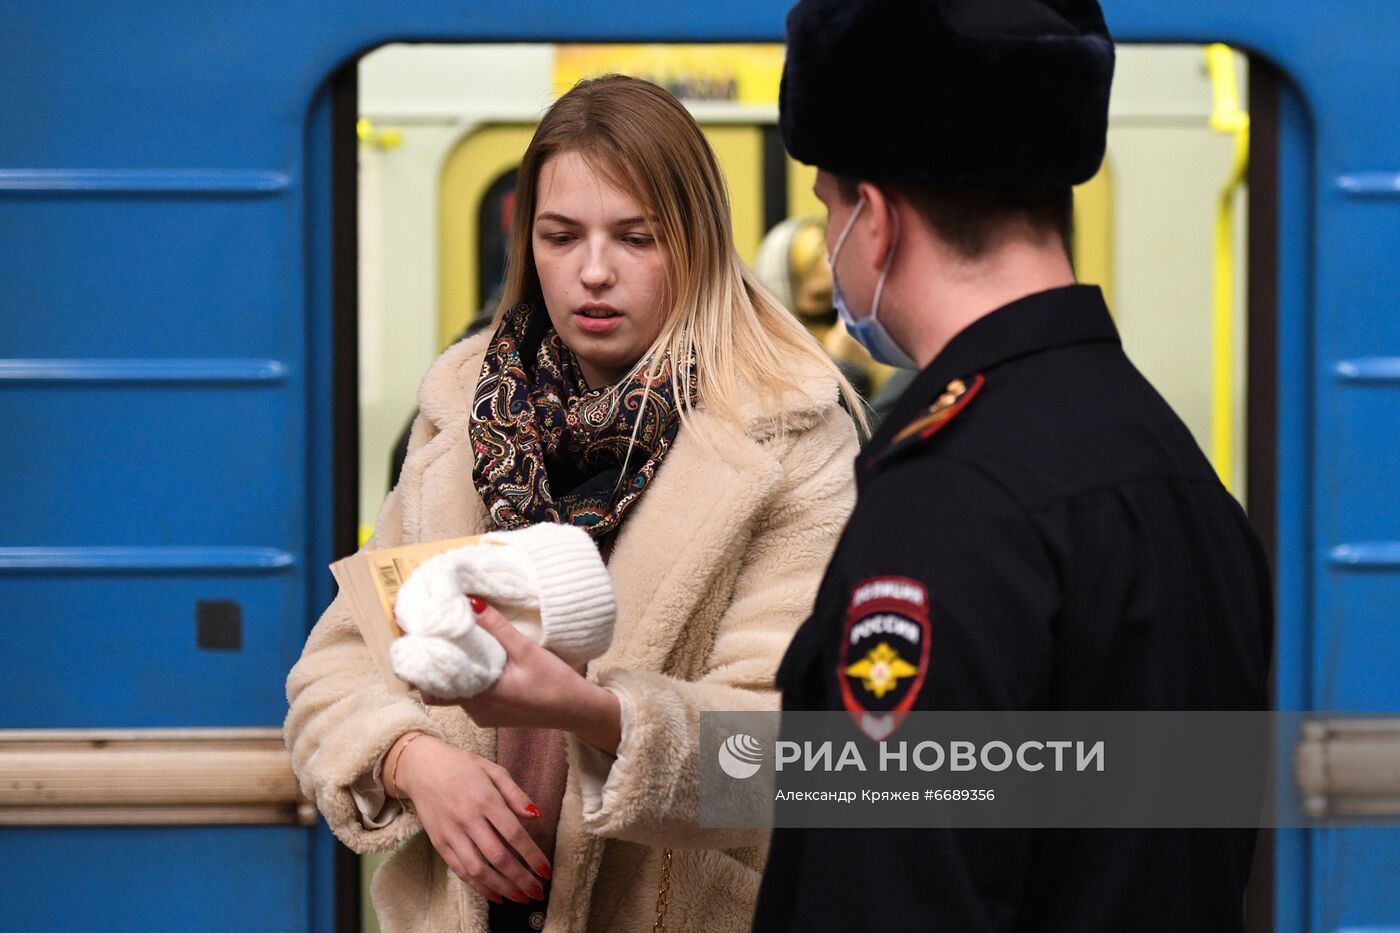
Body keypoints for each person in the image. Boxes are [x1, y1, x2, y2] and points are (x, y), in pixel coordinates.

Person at [285, 76, 863, 932]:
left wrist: (586, 712)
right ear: (528, 246)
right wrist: (411, 761)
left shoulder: (790, 438)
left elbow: (788, 757)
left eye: (637, 238)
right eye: (560, 237)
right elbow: (332, 671)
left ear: (698, 243)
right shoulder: (464, 413)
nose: (593, 271)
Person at [753, 1, 1273, 931]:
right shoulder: (1176, 468)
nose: (831, 235)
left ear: (876, 220)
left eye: (829, 205)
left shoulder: (946, 501)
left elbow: (888, 894)